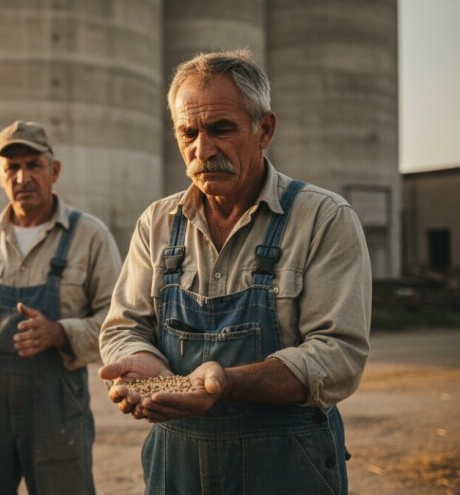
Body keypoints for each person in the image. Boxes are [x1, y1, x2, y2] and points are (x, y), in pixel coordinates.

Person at [99, 50, 371, 494]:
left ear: (264, 129)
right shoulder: (158, 221)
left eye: (220, 129)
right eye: (188, 133)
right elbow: (123, 325)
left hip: (286, 463)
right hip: (177, 462)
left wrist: (225, 383)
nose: (202, 150)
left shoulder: (323, 218)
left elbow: (338, 355)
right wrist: (143, 365)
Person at [0, 120, 123, 495]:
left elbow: (119, 323)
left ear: (54, 170)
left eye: (33, 165)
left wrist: (60, 332)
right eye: (12, 167)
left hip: (57, 406)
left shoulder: (91, 237)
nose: (23, 177)